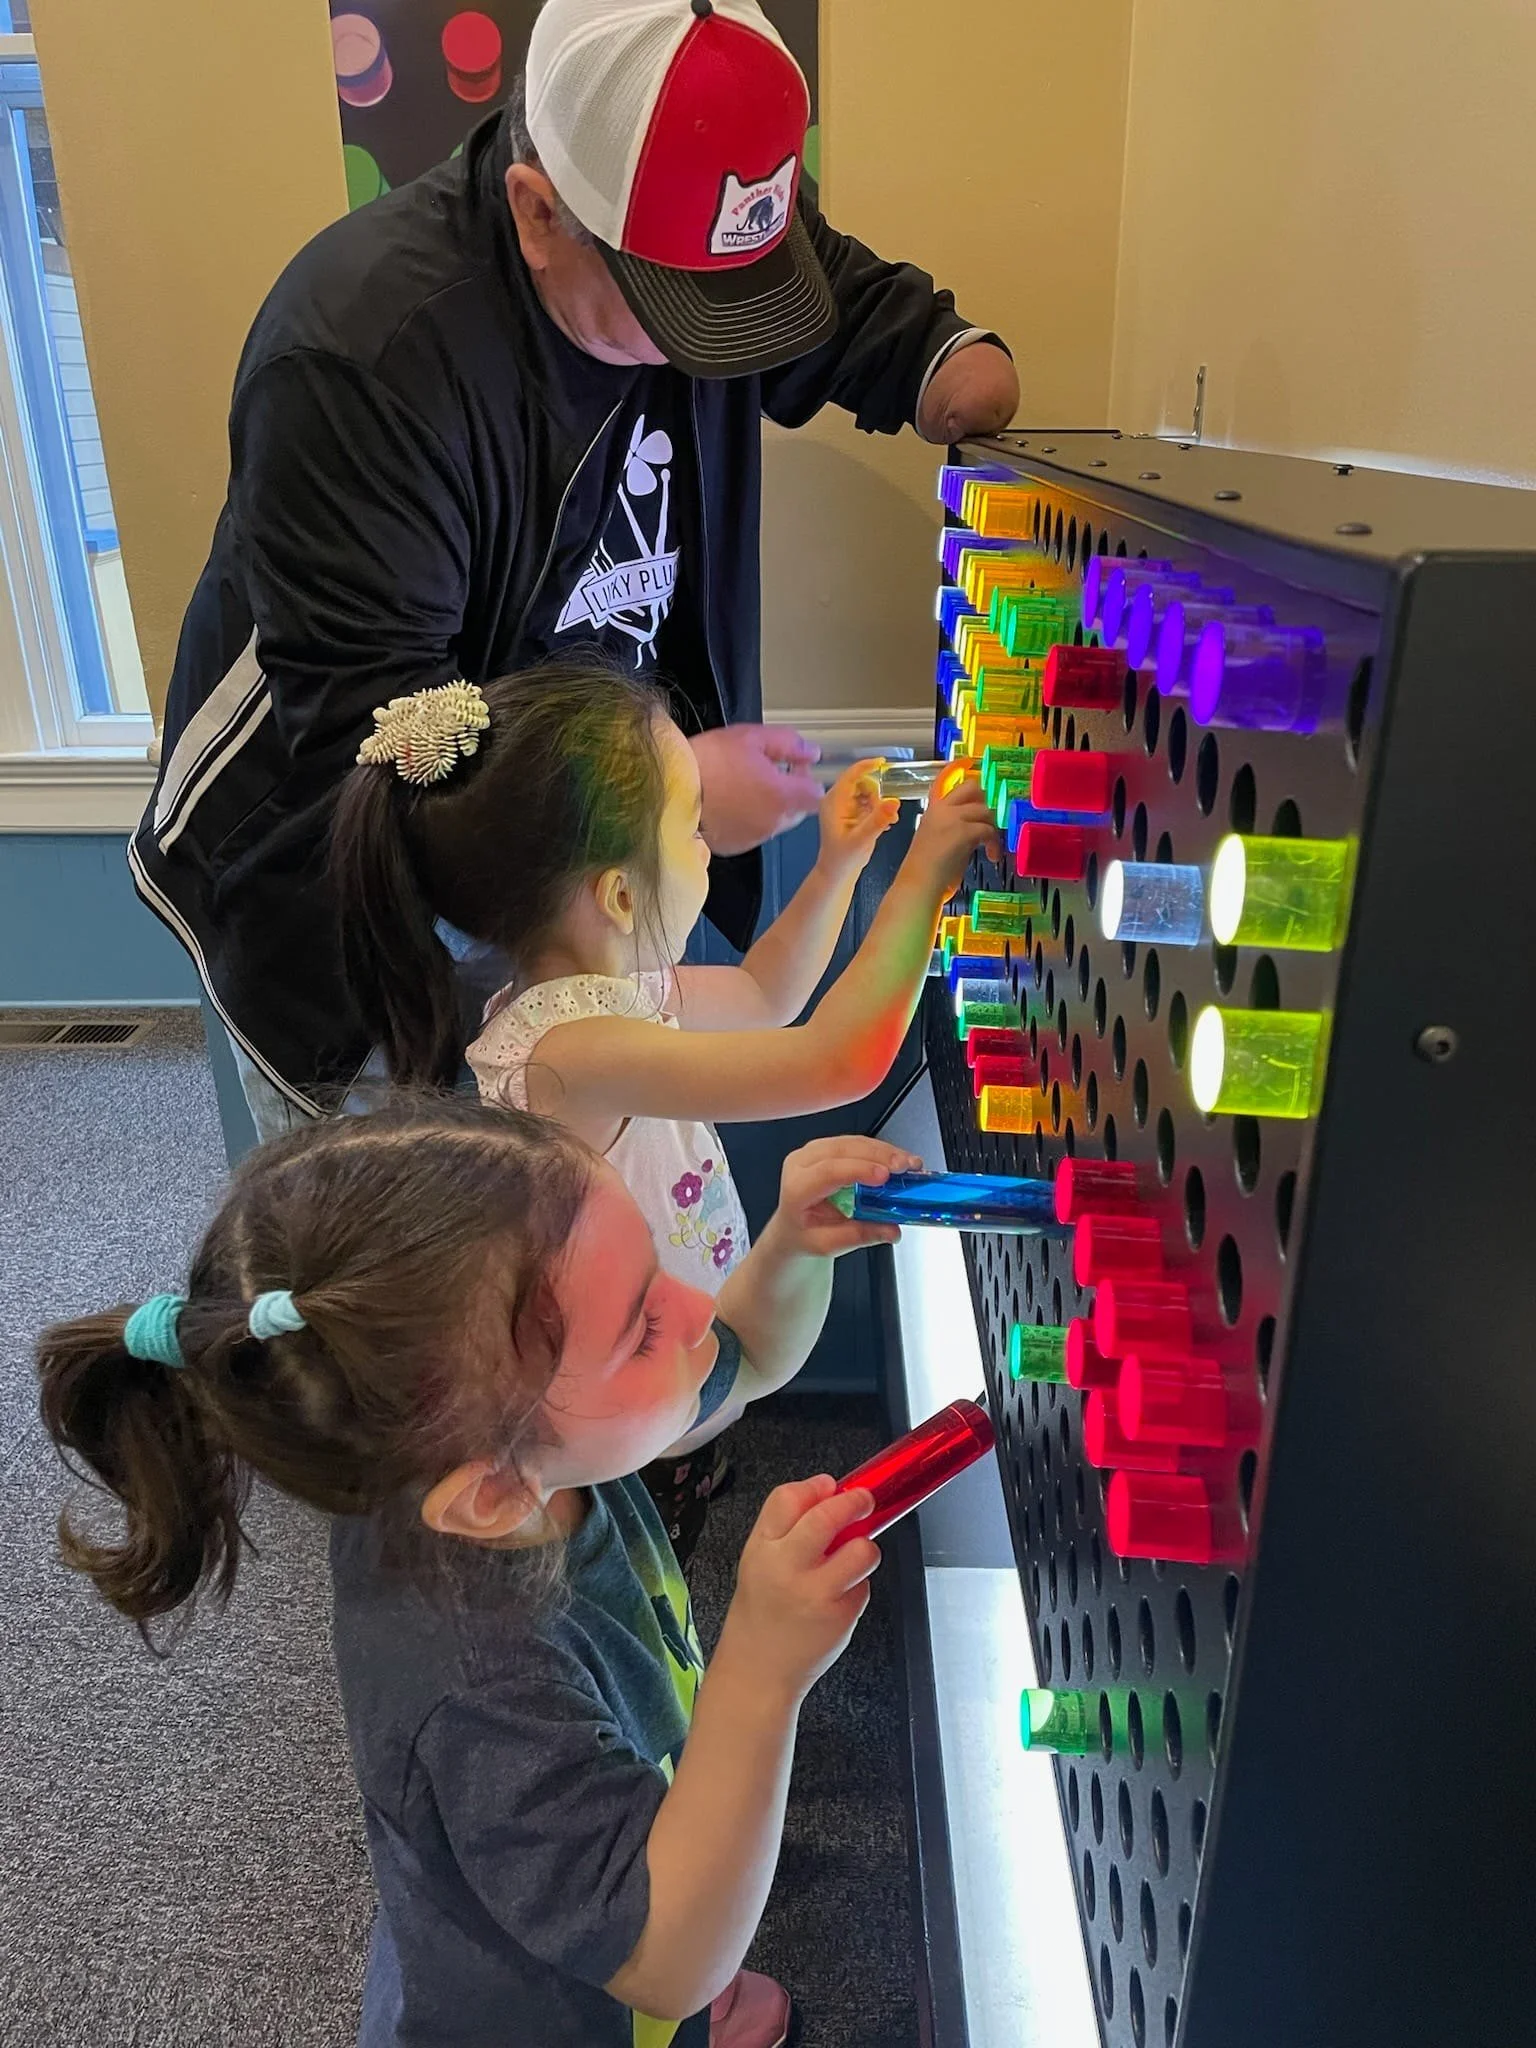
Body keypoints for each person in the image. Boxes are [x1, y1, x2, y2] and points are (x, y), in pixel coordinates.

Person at [127, 0, 1019, 1139]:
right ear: (539, 213)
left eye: (743, 295)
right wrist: (665, 787)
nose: (717, 352)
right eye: (678, 309)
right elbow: (390, 736)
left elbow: (856, 313)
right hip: (351, 882)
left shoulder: (707, 220)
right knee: (413, 1210)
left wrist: (955, 369)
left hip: (584, 854)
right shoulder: (361, 358)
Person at [37, 1094, 922, 2048]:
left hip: (617, 1855)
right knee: (673, 1940)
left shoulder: (502, 1442)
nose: (694, 1307)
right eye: (640, 1329)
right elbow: (668, 1963)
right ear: (492, 1494)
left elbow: (740, 1356)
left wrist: (793, 1247)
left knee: (673, 1888)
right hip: (547, 2019)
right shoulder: (477, 1684)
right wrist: (761, 1672)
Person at [330, 662, 994, 1560]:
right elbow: (840, 1061)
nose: (709, 846)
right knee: (650, 1550)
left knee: (703, 1434)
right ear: (619, 894)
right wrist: (922, 878)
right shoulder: (568, 1054)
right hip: (633, 1399)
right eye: (692, 827)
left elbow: (765, 996)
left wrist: (840, 865)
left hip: (679, 1340)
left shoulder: (602, 992)